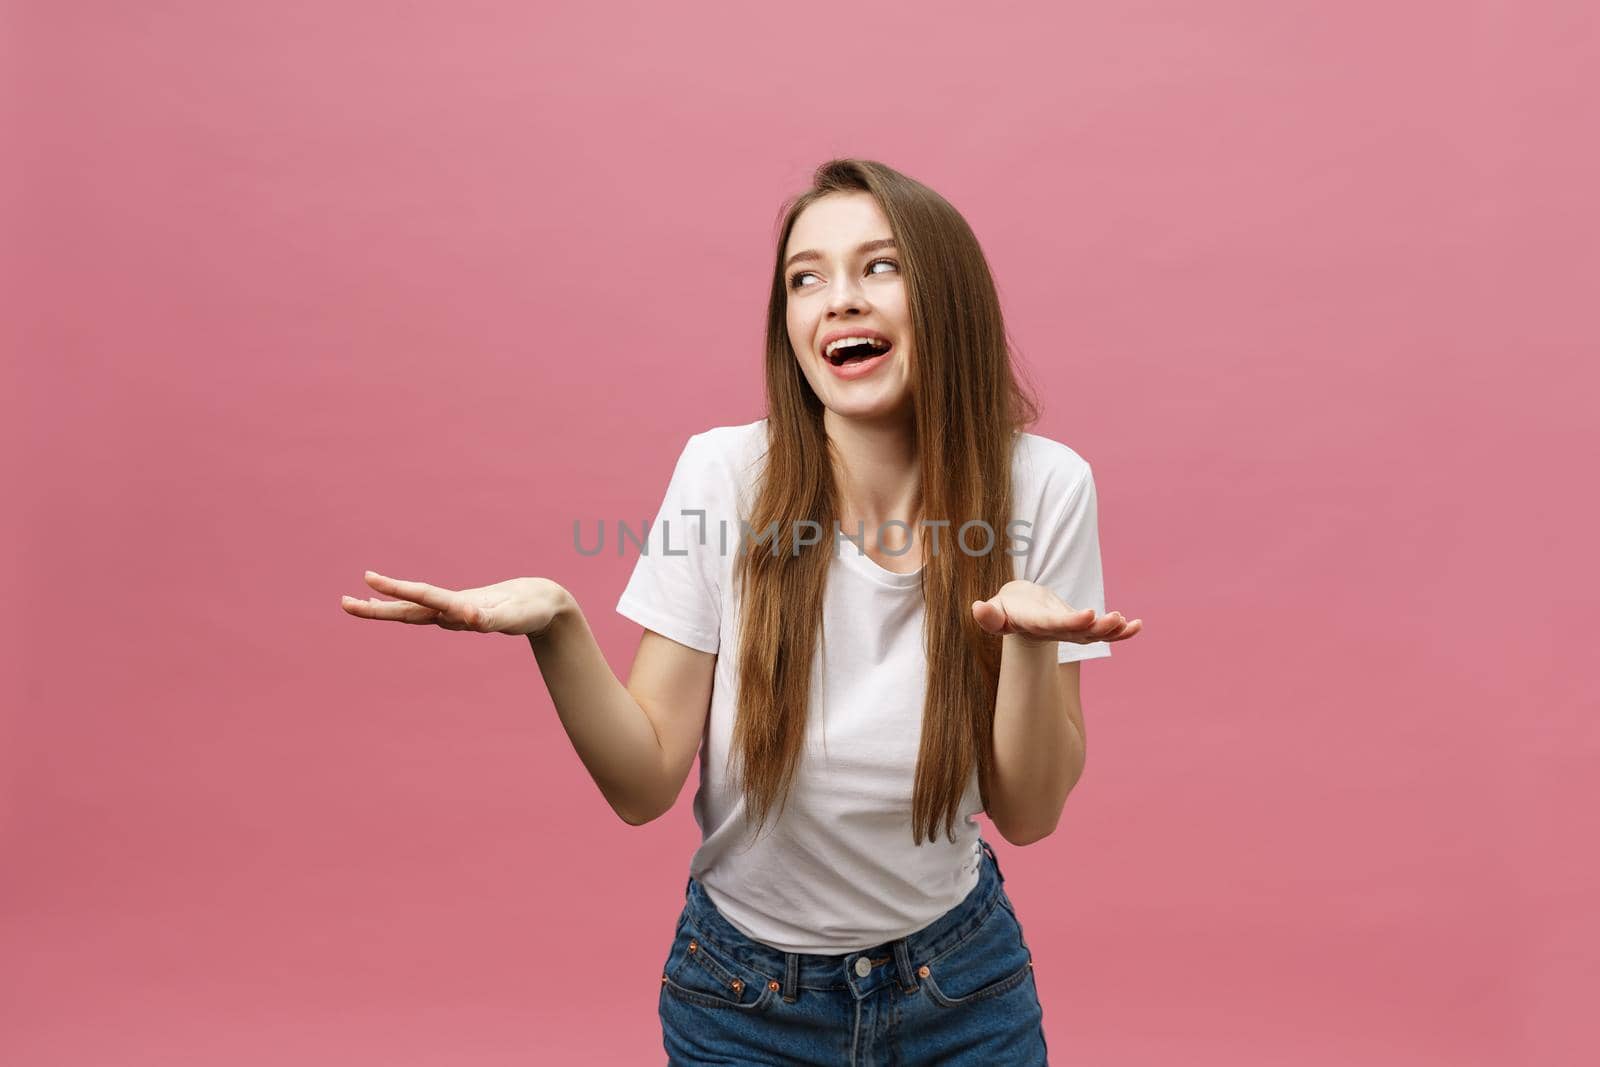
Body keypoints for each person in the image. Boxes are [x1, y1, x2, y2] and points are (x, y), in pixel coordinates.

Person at [341, 158, 1142, 1065]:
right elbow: (643, 784)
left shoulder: (1046, 485)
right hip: (745, 1000)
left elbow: (1030, 814)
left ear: (947, 296)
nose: (837, 299)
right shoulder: (727, 476)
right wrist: (560, 626)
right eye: (807, 278)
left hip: (960, 987)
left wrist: (1032, 647)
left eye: (878, 267)